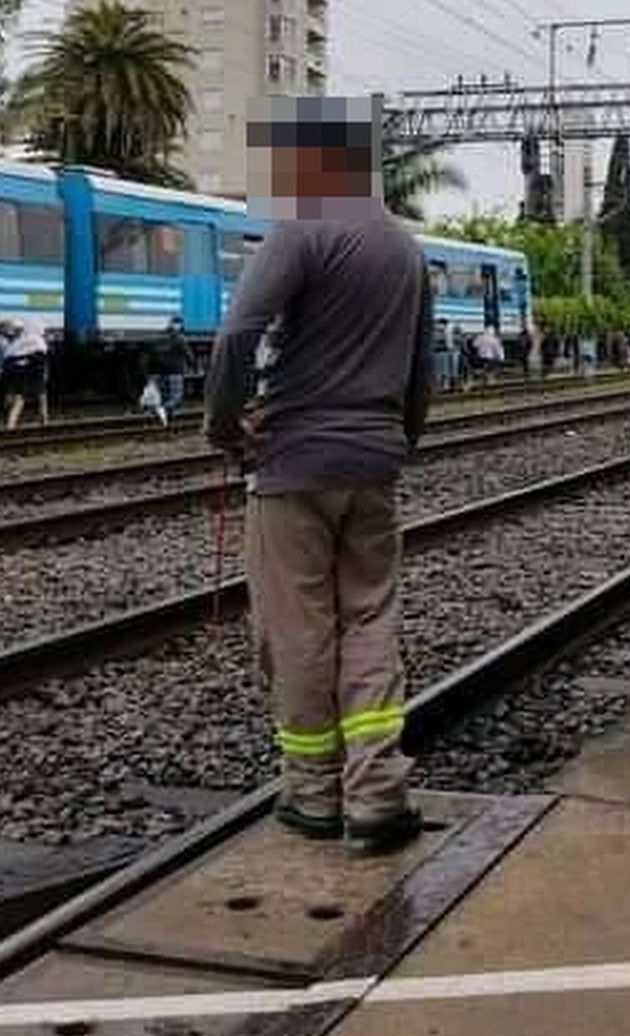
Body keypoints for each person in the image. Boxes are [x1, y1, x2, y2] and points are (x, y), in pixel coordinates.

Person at [204, 109, 433, 855]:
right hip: (374, 460)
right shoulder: (406, 248)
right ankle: (377, 793)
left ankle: (311, 792)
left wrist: (224, 426)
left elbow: (238, 331)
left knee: (300, 626)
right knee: (370, 617)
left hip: (295, 463)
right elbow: (421, 371)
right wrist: (399, 441)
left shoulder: (301, 231)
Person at [2, 321, 49, 430]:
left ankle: (10, 426)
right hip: (35, 375)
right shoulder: (38, 341)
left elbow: (8, 358)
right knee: (42, 398)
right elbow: (42, 359)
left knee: (20, 400)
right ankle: (44, 422)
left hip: (19, 375)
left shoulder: (19, 341)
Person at [152, 317, 197, 421]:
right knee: (176, 397)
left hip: (161, 371)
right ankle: (164, 409)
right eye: (179, 324)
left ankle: (168, 416)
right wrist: (193, 365)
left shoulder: (161, 337)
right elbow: (188, 354)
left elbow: (154, 352)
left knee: (165, 395)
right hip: (175, 371)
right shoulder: (180, 338)